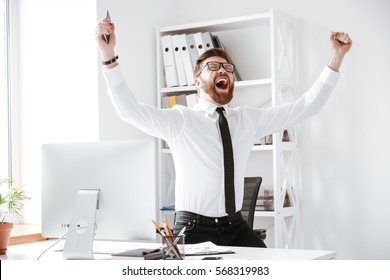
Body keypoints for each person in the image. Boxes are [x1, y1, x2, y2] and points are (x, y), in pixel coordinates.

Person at [95, 18, 352, 248]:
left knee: (271, 268)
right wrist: (108, 55)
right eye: (213, 67)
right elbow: (129, 111)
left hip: (235, 227)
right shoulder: (181, 120)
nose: (223, 71)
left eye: (228, 68)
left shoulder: (247, 119)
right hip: (192, 229)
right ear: (197, 82)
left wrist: (336, 58)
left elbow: (306, 107)